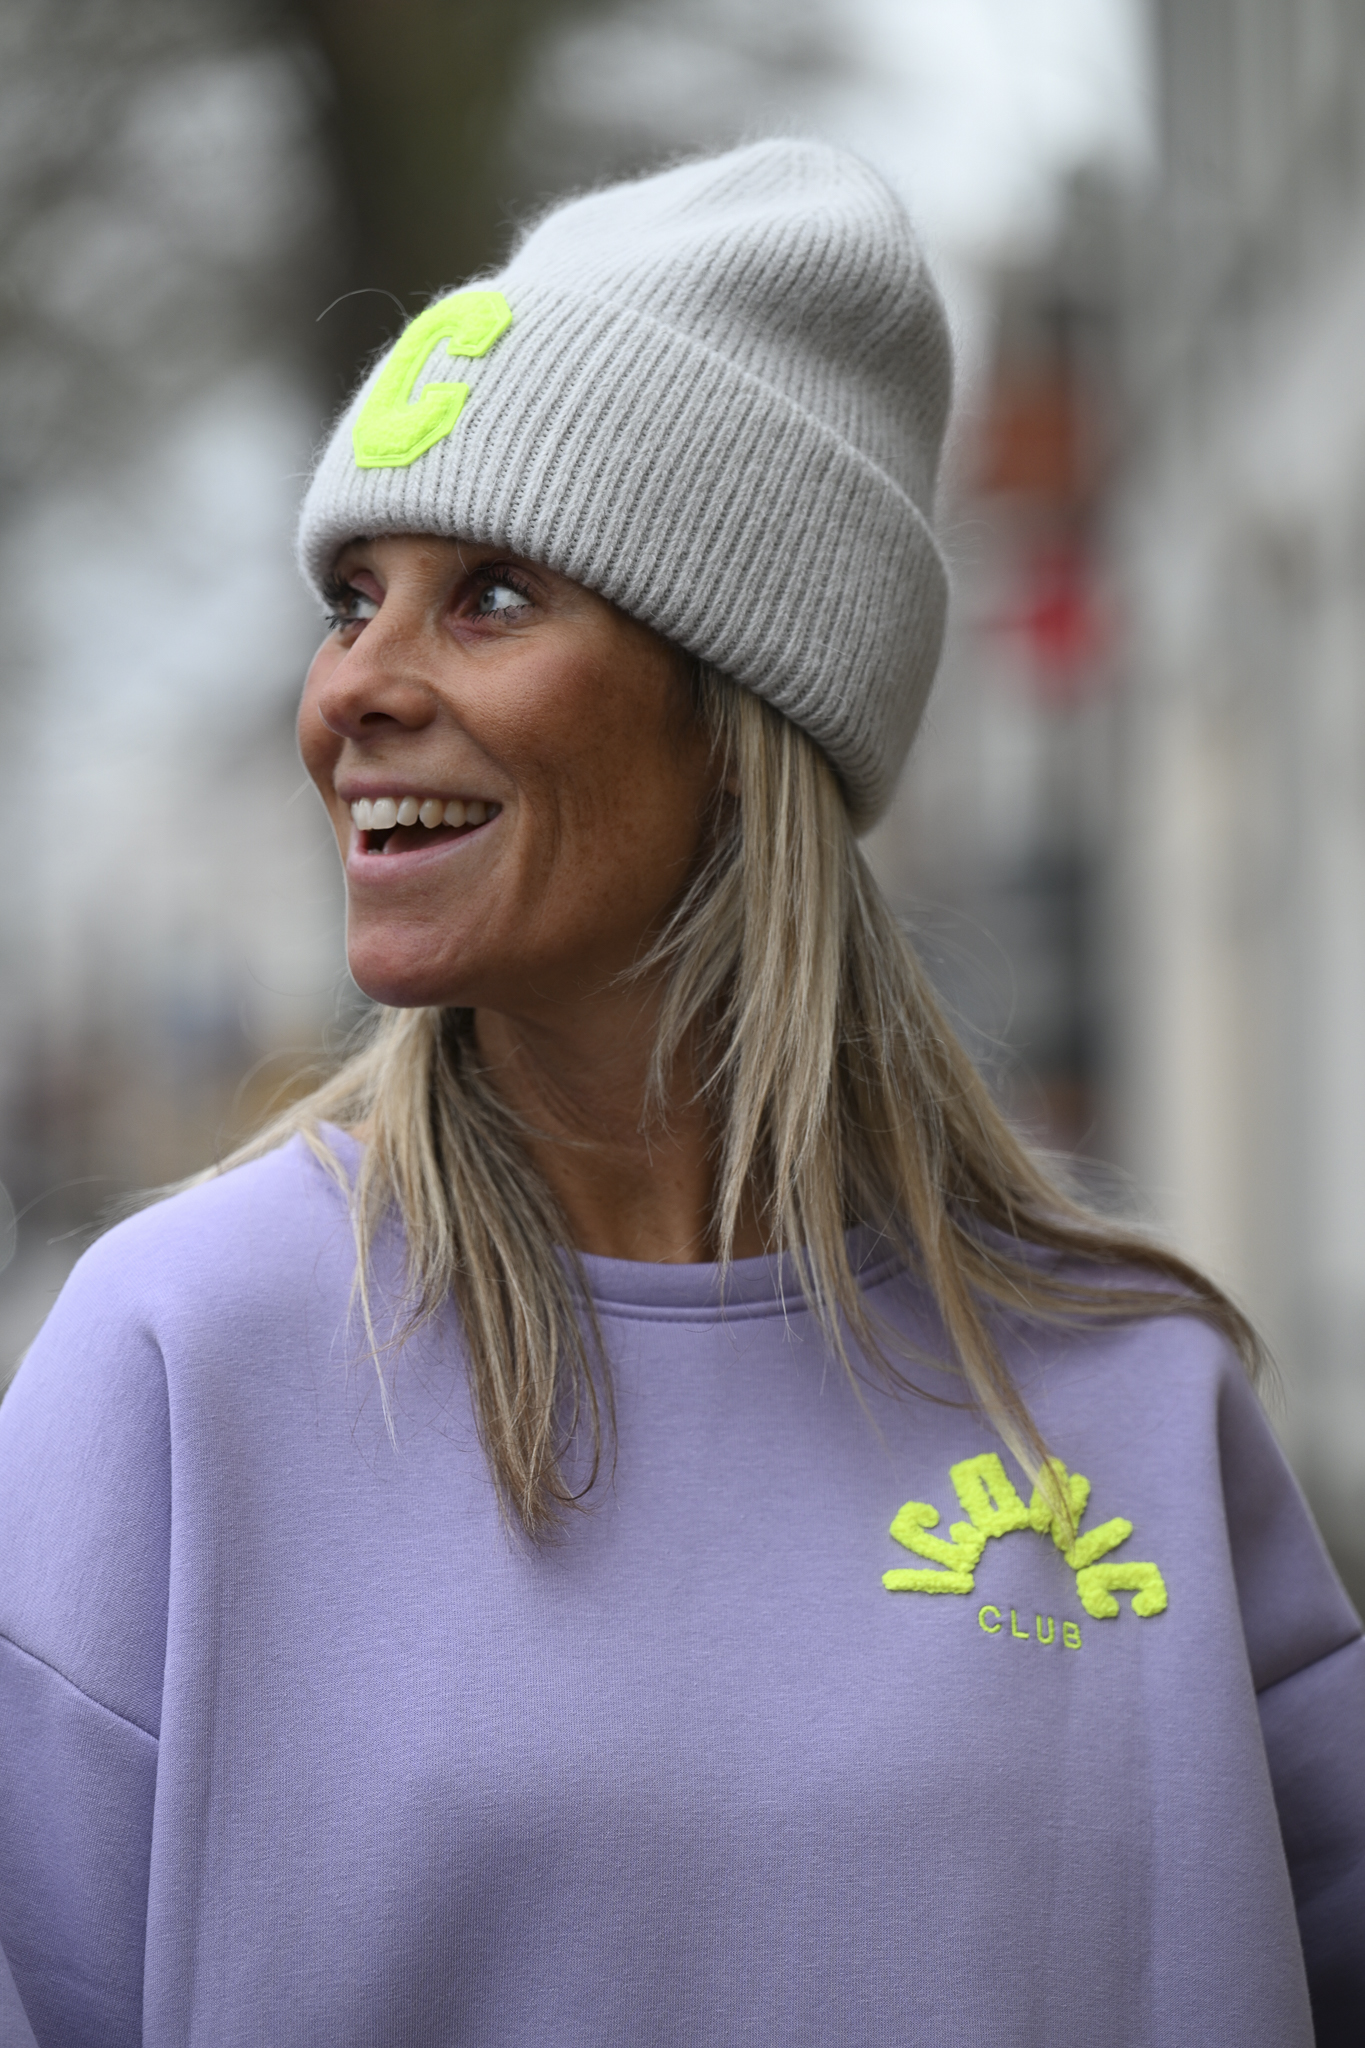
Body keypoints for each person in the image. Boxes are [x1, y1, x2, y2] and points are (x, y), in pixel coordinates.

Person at [0, 139, 1360, 2048]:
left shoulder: (1134, 1395)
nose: (351, 690)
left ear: (741, 714)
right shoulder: (179, 1363)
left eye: (487, 596)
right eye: (349, 596)